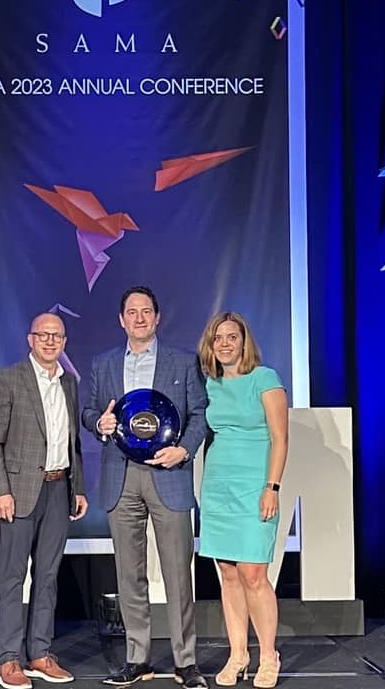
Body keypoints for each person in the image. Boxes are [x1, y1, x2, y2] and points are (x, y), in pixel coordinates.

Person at [82, 286, 209, 688]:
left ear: (157, 318)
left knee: (177, 572)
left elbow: (200, 414)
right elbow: (88, 410)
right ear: (121, 320)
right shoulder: (102, 365)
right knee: (128, 574)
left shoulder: (183, 362)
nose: (139, 318)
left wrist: (184, 452)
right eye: (131, 312)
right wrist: (97, 424)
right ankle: (137, 658)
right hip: (121, 477)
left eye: (146, 311)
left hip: (168, 476)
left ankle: (185, 661)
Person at [0, 312, 89, 689]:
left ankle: (40, 653)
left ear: (64, 341)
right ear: (30, 339)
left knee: (47, 577)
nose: (49, 341)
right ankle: (8, 660)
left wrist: (79, 488)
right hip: (17, 493)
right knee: (12, 578)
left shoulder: (69, 384)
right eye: (42, 335)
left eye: (56, 335)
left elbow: (73, 444)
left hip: (58, 490)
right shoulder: (8, 379)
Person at [196, 312, 289, 689]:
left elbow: (280, 438)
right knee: (229, 574)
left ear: (244, 341)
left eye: (231, 337)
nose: (224, 343)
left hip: (255, 485)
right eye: (218, 338)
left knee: (254, 573)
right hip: (218, 485)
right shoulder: (210, 384)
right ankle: (238, 655)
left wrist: (272, 487)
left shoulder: (265, 379)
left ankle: (269, 655)